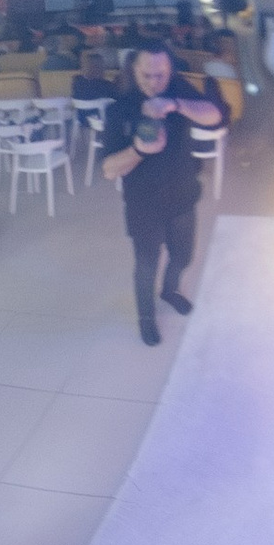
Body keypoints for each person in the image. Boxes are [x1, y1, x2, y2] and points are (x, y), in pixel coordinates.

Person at [101, 38, 231, 344]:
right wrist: (138, 150)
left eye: (160, 75)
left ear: (170, 69)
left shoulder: (177, 89)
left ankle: (170, 290)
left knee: (183, 256)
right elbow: (108, 169)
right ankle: (146, 317)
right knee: (146, 265)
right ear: (133, 68)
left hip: (184, 195)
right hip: (143, 203)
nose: (154, 82)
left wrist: (175, 104)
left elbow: (216, 116)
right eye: (146, 75)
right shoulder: (119, 108)